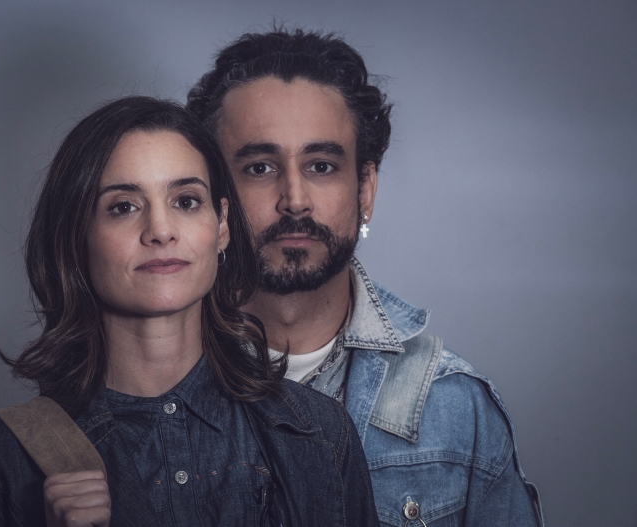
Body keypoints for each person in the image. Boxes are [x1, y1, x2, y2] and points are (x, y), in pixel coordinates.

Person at [0, 97, 379, 526]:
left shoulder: (319, 434)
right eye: (124, 207)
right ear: (76, 239)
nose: (161, 230)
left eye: (186, 201)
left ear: (222, 226)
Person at [187, 28, 546, 526]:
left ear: (365, 190)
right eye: (260, 167)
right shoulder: (147, 383)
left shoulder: (454, 406)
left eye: (321, 166)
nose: (295, 200)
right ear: (213, 194)